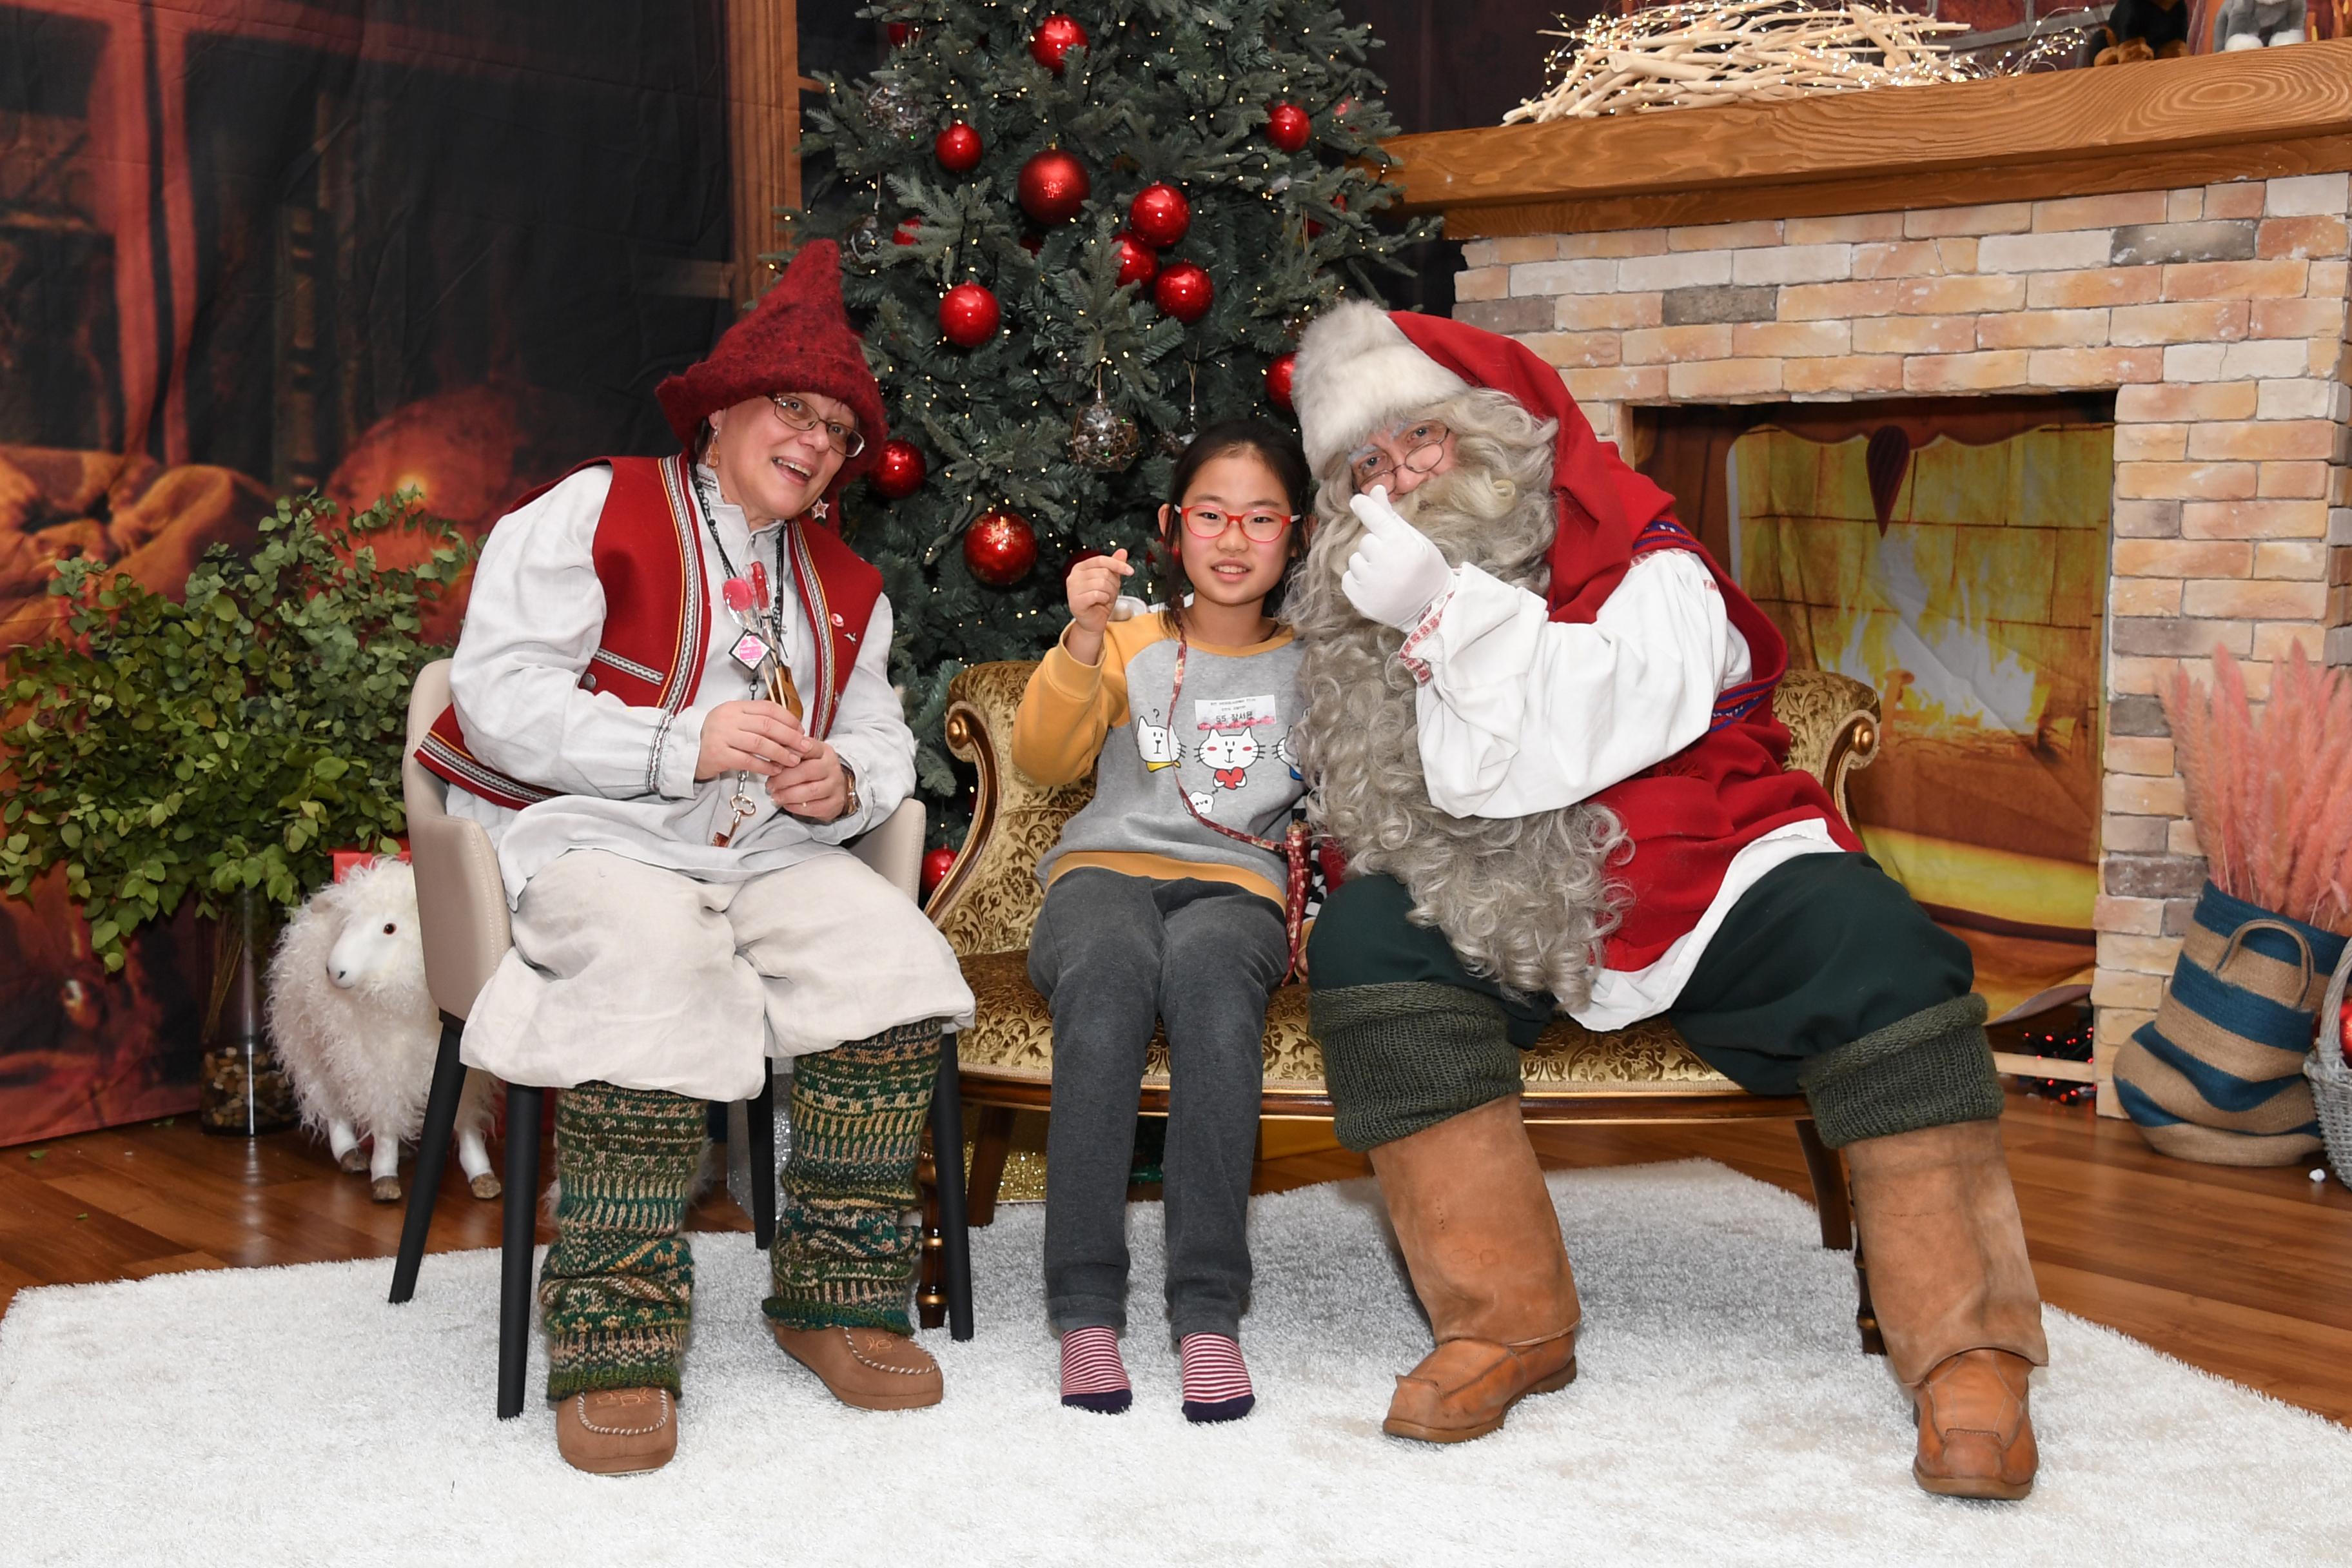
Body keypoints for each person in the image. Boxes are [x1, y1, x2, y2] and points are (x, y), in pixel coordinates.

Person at [1285, 302, 2047, 1500]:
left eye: (1419, 441)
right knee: (1373, 941)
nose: (1399, 483)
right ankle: (1505, 1319)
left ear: (1495, 434)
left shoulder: (1642, 550)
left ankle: (1970, 1354)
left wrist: (1445, 611)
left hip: (1704, 858)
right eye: (1365, 468)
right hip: (1501, 888)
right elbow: (1437, 790)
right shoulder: (1372, 596)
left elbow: (1601, 716)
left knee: (1882, 950)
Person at [416, 241, 975, 1476]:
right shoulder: (593, 508)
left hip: (771, 855)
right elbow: (498, 691)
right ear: (722, 411)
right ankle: (614, 1334)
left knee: (893, 962)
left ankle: (833, 1297)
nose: (818, 442)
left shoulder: (845, 586)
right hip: (601, 841)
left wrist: (848, 779)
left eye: (837, 429)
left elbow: (879, 732)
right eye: (795, 410)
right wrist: (680, 744)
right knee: (653, 964)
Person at [1010, 421, 1313, 1422]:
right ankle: (1087, 1307)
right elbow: (1049, 759)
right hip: (1103, 871)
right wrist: (1084, 640)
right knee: (1107, 972)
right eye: (1212, 514)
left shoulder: (1316, 667)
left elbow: (1356, 793)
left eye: (1260, 517)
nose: (1234, 538)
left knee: (1215, 991)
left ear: (1295, 535)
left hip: (1238, 888)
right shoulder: (1136, 643)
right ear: (1170, 527)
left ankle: (1208, 1313)